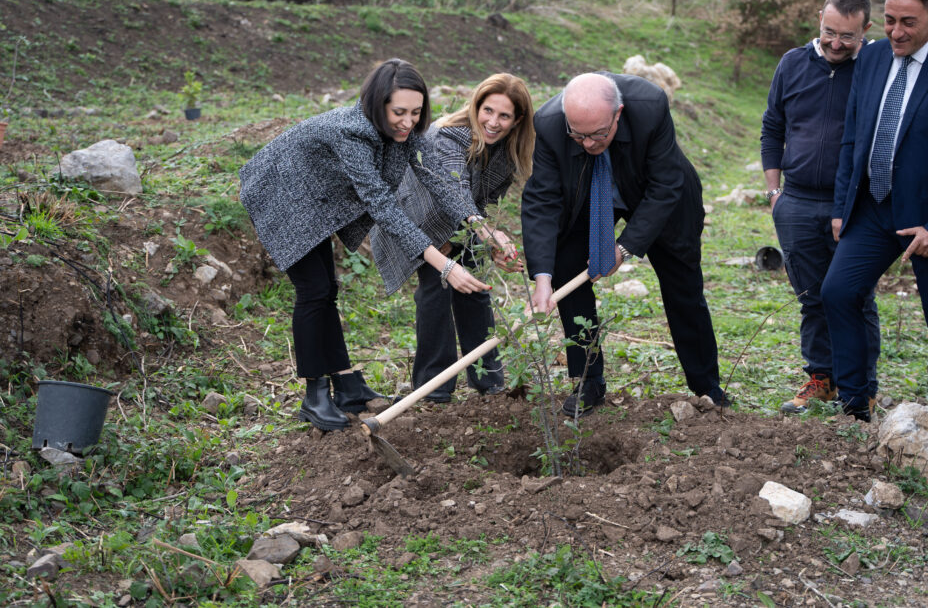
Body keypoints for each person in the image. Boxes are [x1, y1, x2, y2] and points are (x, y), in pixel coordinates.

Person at [239, 59, 489, 431]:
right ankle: (315, 395)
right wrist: (445, 265)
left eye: (416, 113)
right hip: (282, 192)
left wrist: (479, 225)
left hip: (317, 196)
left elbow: (436, 177)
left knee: (328, 289)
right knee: (314, 291)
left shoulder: (403, 134)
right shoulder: (352, 134)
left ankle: (347, 385)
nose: (407, 122)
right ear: (378, 105)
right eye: (398, 112)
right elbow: (382, 206)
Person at [821, 0, 928, 421]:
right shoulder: (870, 58)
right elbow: (853, 137)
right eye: (889, 19)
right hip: (871, 209)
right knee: (837, 292)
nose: (895, 31)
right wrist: (841, 207)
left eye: (907, 22)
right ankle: (855, 403)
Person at [521, 72, 728, 417]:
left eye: (598, 134)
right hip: (590, 194)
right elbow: (541, 201)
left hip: (658, 194)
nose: (587, 144)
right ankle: (588, 379)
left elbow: (665, 185)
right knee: (563, 264)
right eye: (578, 135)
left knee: (683, 284)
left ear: (618, 113)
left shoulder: (650, 106)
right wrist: (542, 276)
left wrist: (625, 247)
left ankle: (707, 386)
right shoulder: (550, 123)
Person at [370, 73, 535, 403]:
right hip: (418, 218)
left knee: (476, 291)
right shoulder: (449, 137)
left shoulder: (506, 151)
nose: (493, 122)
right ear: (476, 106)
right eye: (487, 110)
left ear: (517, 120)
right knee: (437, 289)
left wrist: (486, 241)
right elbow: (453, 191)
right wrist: (485, 234)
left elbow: (478, 200)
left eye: (504, 116)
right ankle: (434, 388)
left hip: (467, 220)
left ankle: (489, 381)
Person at [761, 0, 882, 414]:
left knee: (855, 296)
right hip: (795, 202)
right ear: (820, 19)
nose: (835, 43)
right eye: (830, 31)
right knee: (811, 295)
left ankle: (863, 386)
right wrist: (775, 192)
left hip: (851, 205)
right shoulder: (792, 63)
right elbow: (772, 126)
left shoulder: (875, 67)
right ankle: (822, 378)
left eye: (847, 36)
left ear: (866, 30)